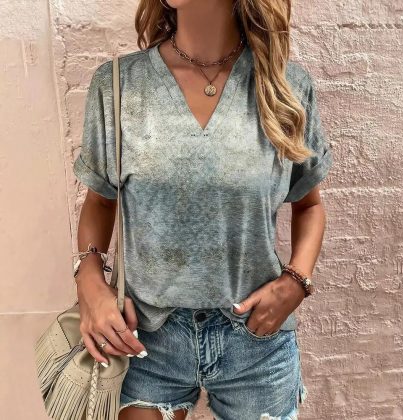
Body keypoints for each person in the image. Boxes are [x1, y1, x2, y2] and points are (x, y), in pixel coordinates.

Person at [72, 0, 333, 419]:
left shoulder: (285, 86)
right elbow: (101, 200)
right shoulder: (119, 85)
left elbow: (309, 204)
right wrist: (88, 281)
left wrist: (296, 282)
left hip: (255, 339)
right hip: (145, 337)